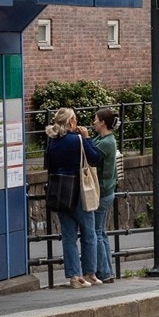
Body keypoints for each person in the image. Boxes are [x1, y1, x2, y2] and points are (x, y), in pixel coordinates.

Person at [43, 107, 101, 288]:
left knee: (68, 236)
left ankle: (74, 277)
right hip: (79, 190)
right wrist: (87, 138)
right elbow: (95, 157)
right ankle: (90, 273)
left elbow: (49, 166)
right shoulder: (77, 140)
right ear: (71, 122)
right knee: (89, 233)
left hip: (60, 192)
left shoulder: (51, 142)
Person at [89, 107, 124, 284]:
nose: (93, 122)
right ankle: (106, 270)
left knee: (97, 232)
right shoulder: (104, 138)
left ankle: (104, 271)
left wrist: (85, 139)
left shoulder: (107, 142)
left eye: (95, 119)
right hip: (106, 191)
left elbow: (92, 156)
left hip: (102, 192)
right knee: (101, 232)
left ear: (102, 122)